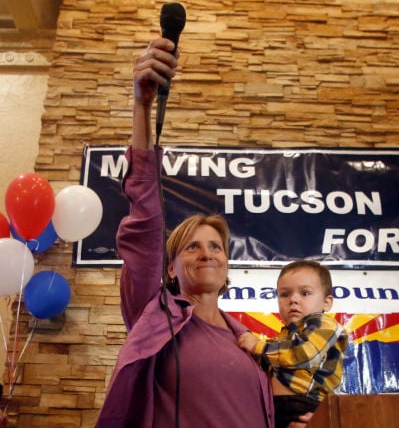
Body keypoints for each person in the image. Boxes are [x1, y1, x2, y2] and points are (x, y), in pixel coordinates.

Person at [95, 37, 276, 427]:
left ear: (227, 264)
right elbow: (145, 227)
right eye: (192, 247)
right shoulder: (156, 315)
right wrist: (142, 107)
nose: (207, 253)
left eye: (215, 246)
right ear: (171, 269)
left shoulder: (247, 338)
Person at [238, 260, 349, 428]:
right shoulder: (284, 338)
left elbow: (304, 353)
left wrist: (257, 346)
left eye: (305, 293)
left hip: (303, 406)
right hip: (275, 409)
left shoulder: (324, 324)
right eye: (285, 294)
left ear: (326, 302)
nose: (293, 300)